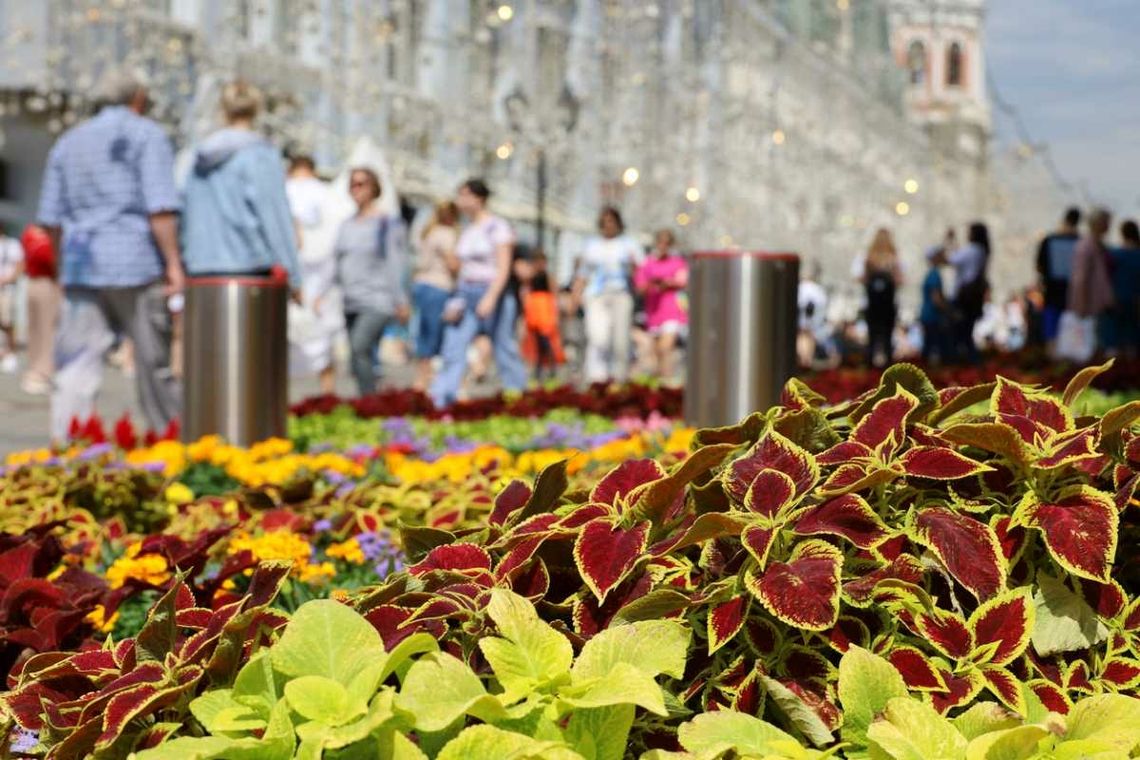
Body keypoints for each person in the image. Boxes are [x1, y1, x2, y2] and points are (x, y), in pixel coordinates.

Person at [37, 68, 184, 439]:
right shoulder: (147, 135)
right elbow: (160, 208)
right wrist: (174, 263)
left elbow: (51, 218)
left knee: (75, 365)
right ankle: (171, 442)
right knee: (154, 364)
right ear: (138, 99)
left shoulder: (68, 142)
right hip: (136, 262)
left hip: (82, 264)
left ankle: (65, 447)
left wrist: (60, 265)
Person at [182, 82, 300, 287]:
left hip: (200, 269)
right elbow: (274, 216)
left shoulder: (198, 158)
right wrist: (293, 274)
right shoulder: (260, 154)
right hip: (249, 268)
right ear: (256, 110)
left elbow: (184, 211)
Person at [430, 178, 526, 408]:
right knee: (453, 346)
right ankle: (442, 399)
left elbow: (504, 267)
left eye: (465, 195)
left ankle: (518, 398)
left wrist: (491, 296)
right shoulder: (466, 229)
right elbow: (460, 268)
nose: (460, 201)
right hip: (465, 292)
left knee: (503, 346)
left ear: (479, 198)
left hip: (492, 292)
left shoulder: (497, 227)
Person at [320, 167, 409, 396]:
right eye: (352, 184)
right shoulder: (346, 224)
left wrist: (401, 300)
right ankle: (370, 400)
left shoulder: (386, 223)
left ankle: (370, 401)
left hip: (378, 299)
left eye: (361, 184)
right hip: (351, 300)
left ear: (374, 189)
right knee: (360, 355)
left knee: (360, 348)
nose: (355, 189)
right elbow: (336, 262)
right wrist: (322, 291)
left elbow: (396, 263)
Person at [285, 154, 338, 394]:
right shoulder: (327, 194)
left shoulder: (282, 190)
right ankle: (327, 397)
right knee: (323, 344)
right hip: (321, 280)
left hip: (286, 277)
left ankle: (280, 404)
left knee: (282, 344)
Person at [573, 206, 643, 383]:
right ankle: (597, 379)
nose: (608, 226)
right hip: (597, 296)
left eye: (612, 221)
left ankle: (619, 379)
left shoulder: (629, 244)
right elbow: (582, 273)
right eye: (605, 222)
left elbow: (641, 272)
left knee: (620, 340)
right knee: (598, 337)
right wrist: (576, 294)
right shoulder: (592, 245)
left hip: (621, 294)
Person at [411, 201, 459, 392]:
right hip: (439, 286)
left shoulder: (429, 232)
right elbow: (452, 264)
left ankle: (422, 377)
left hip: (422, 284)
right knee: (436, 335)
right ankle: (430, 380)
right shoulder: (446, 234)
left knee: (423, 333)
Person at [634, 228, 688, 382]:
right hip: (654, 311)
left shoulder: (678, 262)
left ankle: (668, 380)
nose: (663, 246)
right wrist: (652, 284)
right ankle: (660, 383)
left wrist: (667, 283)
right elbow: (640, 286)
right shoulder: (648, 263)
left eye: (667, 243)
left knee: (666, 348)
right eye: (660, 242)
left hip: (673, 310)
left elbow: (683, 281)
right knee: (656, 351)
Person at [19, 224, 59, 395]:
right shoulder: (44, 237)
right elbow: (53, 261)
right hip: (45, 283)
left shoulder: (30, 233)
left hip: (35, 283)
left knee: (38, 329)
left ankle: (36, 370)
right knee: (44, 330)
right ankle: (41, 372)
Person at [1068, 207, 1114, 352]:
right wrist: (1081, 306)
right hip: (1089, 306)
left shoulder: (1098, 245)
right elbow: (1080, 278)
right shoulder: (1086, 246)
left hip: (1099, 305)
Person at [1036, 207, 1081, 348]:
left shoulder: (1049, 240)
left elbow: (1039, 266)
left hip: (1052, 292)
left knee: (1052, 332)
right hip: (1074, 293)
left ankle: (1052, 358)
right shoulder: (1081, 242)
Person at [858, 228, 902, 368]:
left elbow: (863, 279)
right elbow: (899, 280)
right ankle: (887, 361)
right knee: (887, 335)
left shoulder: (869, 258)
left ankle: (870, 361)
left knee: (872, 334)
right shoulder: (893, 258)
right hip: (887, 303)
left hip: (873, 303)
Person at [948, 222, 991, 365]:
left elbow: (952, 259)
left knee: (960, 330)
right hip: (973, 296)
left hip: (964, 296)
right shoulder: (982, 251)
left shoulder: (972, 250)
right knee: (967, 330)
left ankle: (966, 360)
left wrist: (951, 241)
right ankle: (970, 359)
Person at [521, 270, 564, 381]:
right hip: (539, 317)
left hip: (544, 318)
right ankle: (541, 374)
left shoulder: (546, 279)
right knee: (540, 350)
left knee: (545, 348)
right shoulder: (534, 280)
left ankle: (548, 374)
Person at [1113, 220, 1140, 356]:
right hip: (1135, 300)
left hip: (1116, 298)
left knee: (1114, 336)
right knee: (1132, 336)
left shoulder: (1114, 254)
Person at [919, 245, 949, 365]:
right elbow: (936, 298)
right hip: (933, 316)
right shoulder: (935, 275)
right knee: (934, 346)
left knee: (928, 345)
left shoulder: (930, 274)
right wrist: (948, 311)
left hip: (927, 314)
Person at [0, 226, 24, 374]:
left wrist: (8, 279)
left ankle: (11, 352)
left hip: (7, 289)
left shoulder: (12, 245)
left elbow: (20, 265)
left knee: (7, 321)